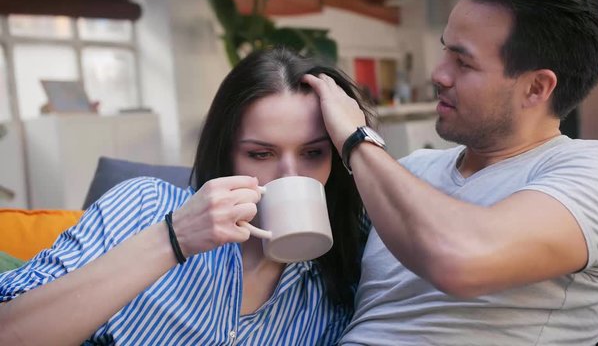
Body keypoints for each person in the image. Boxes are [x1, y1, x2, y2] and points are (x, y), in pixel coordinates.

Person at [303, 0, 598, 345]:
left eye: (463, 62)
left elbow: (459, 259)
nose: (439, 74)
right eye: (446, 50)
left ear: (536, 88)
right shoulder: (414, 168)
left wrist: (357, 139)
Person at [0, 47, 373, 345]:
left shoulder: (348, 273)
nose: (290, 176)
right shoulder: (144, 206)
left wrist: (360, 141)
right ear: (225, 152)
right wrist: (172, 238)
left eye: (314, 153)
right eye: (261, 154)